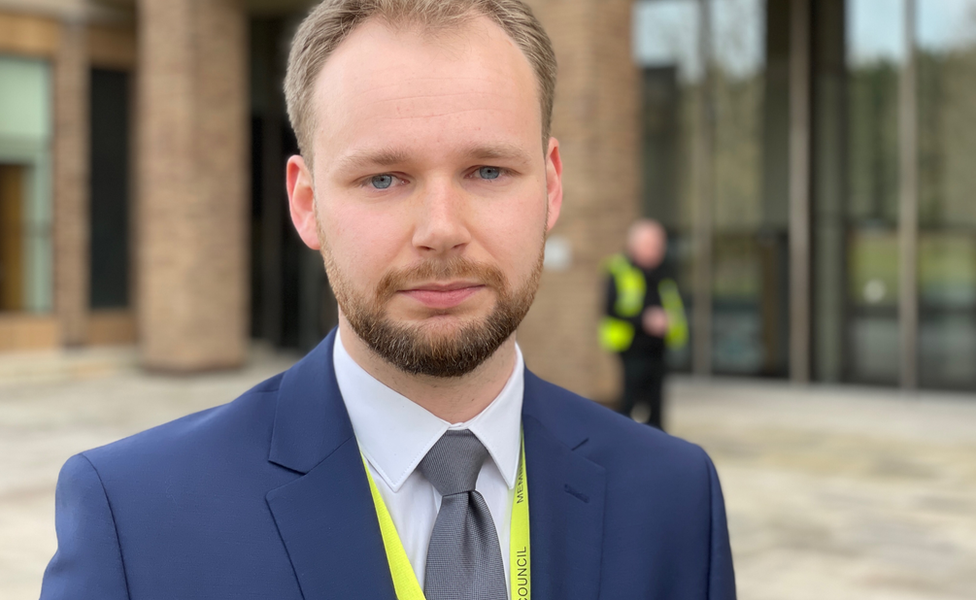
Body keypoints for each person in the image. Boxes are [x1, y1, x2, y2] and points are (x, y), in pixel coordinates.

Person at [40, 2, 733, 599]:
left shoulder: (673, 498)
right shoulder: (137, 519)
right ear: (306, 205)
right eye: (383, 179)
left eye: (487, 170)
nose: (441, 231)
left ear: (550, 187)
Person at [601, 220, 687, 430]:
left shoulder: (665, 273)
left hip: (659, 345)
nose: (657, 249)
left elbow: (674, 304)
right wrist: (646, 320)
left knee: (656, 400)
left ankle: (657, 440)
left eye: (660, 244)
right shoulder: (619, 269)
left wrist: (668, 321)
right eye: (651, 244)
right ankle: (621, 440)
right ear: (634, 245)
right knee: (630, 399)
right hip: (632, 345)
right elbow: (611, 309)